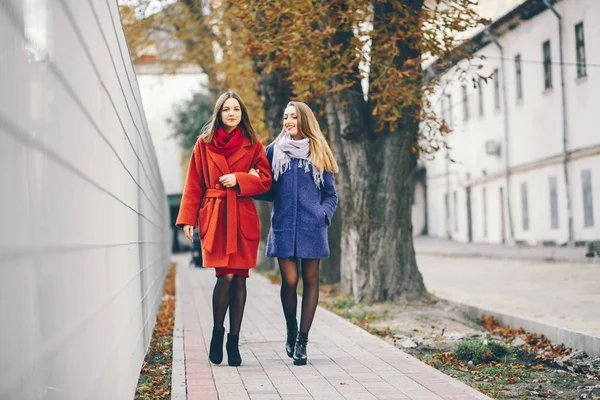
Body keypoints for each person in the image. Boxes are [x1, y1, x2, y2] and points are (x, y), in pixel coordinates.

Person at [177, 91, 272, 367]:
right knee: (226, 276)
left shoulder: (253, 144)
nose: (232, 113)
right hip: (216, 216)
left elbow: (266, 181)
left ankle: (234, 340)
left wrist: (239, 179)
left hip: (242, 217)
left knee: (240, 278)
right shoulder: (203, 144)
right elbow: (193, 182)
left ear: (242, 114)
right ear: (219, 114)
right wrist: (188, 218)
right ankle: (218, 333)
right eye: (227, 109)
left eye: (236, 109)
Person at [252, 101, 338, 365]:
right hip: (284, 226)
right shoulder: (273, 152)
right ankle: (290, 330)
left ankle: (302, 340)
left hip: (312, 226)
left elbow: (330, 194)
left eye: (293, 117)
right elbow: (267, 191)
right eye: (285, 116)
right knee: (289, 281)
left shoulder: (319, 152)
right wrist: (253, 179)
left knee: (311, 280)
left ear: (304, 120)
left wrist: (323, 214)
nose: (287, 121)